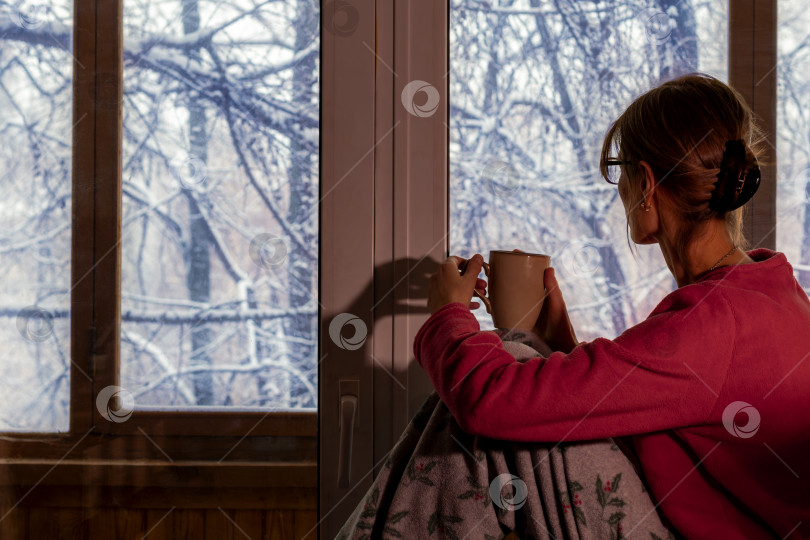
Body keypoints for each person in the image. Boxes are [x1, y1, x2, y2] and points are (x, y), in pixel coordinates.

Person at [414, 73, 810, 539]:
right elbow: (670, 408)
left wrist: (448, 316)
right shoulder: (772, 292)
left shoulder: (707, 326)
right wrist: (561, 346)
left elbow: (488, 401)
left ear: (645, 184)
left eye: (620, 171)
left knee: (464, 428)